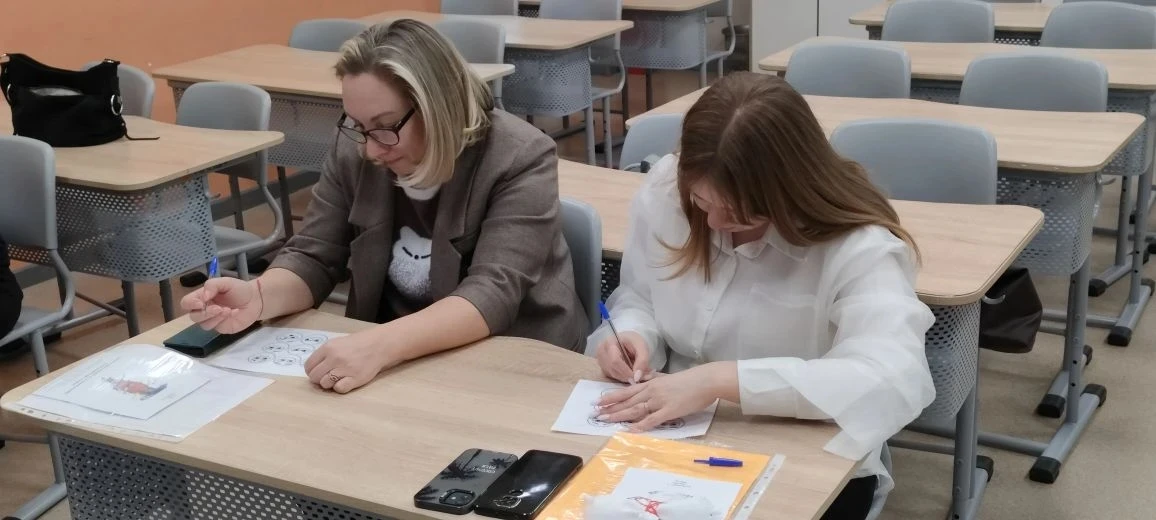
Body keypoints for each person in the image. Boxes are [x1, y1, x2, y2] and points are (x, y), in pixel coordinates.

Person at [588, 72, 935, 520]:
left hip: (804, 455)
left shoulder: (859, 248)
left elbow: (891, 378)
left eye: (740, 213)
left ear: (789, 191)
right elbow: (640, 295)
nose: (714, 224)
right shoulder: (666, 189)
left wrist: (722, 380)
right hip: (674, 437)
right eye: (702, 203)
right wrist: (631, 335)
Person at [180, 19, 587, 394]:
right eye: (358, 126)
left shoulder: (519, 156)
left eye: (386, 127)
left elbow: (492, 294)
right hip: (397, 354)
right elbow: (314, 255)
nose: (371, 149)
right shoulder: (357, 146)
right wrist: (259, 297)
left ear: (439, 108)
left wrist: (379, 345)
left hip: (513, 359)